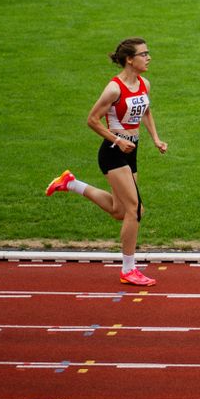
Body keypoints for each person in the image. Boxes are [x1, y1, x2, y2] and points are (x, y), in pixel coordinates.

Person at [45, 38, 168, 287]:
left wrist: (155, 138)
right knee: (135, 210)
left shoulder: (144, 83)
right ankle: (128, 269)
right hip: (113, 151)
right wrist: (117, 140)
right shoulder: (114, 89)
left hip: (131, 151)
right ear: (129, 59)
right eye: (144, 54)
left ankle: (70, 183)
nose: (149, 57)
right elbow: (92, 120)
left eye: (148, 53)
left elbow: (146, 111)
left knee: (118, 210)